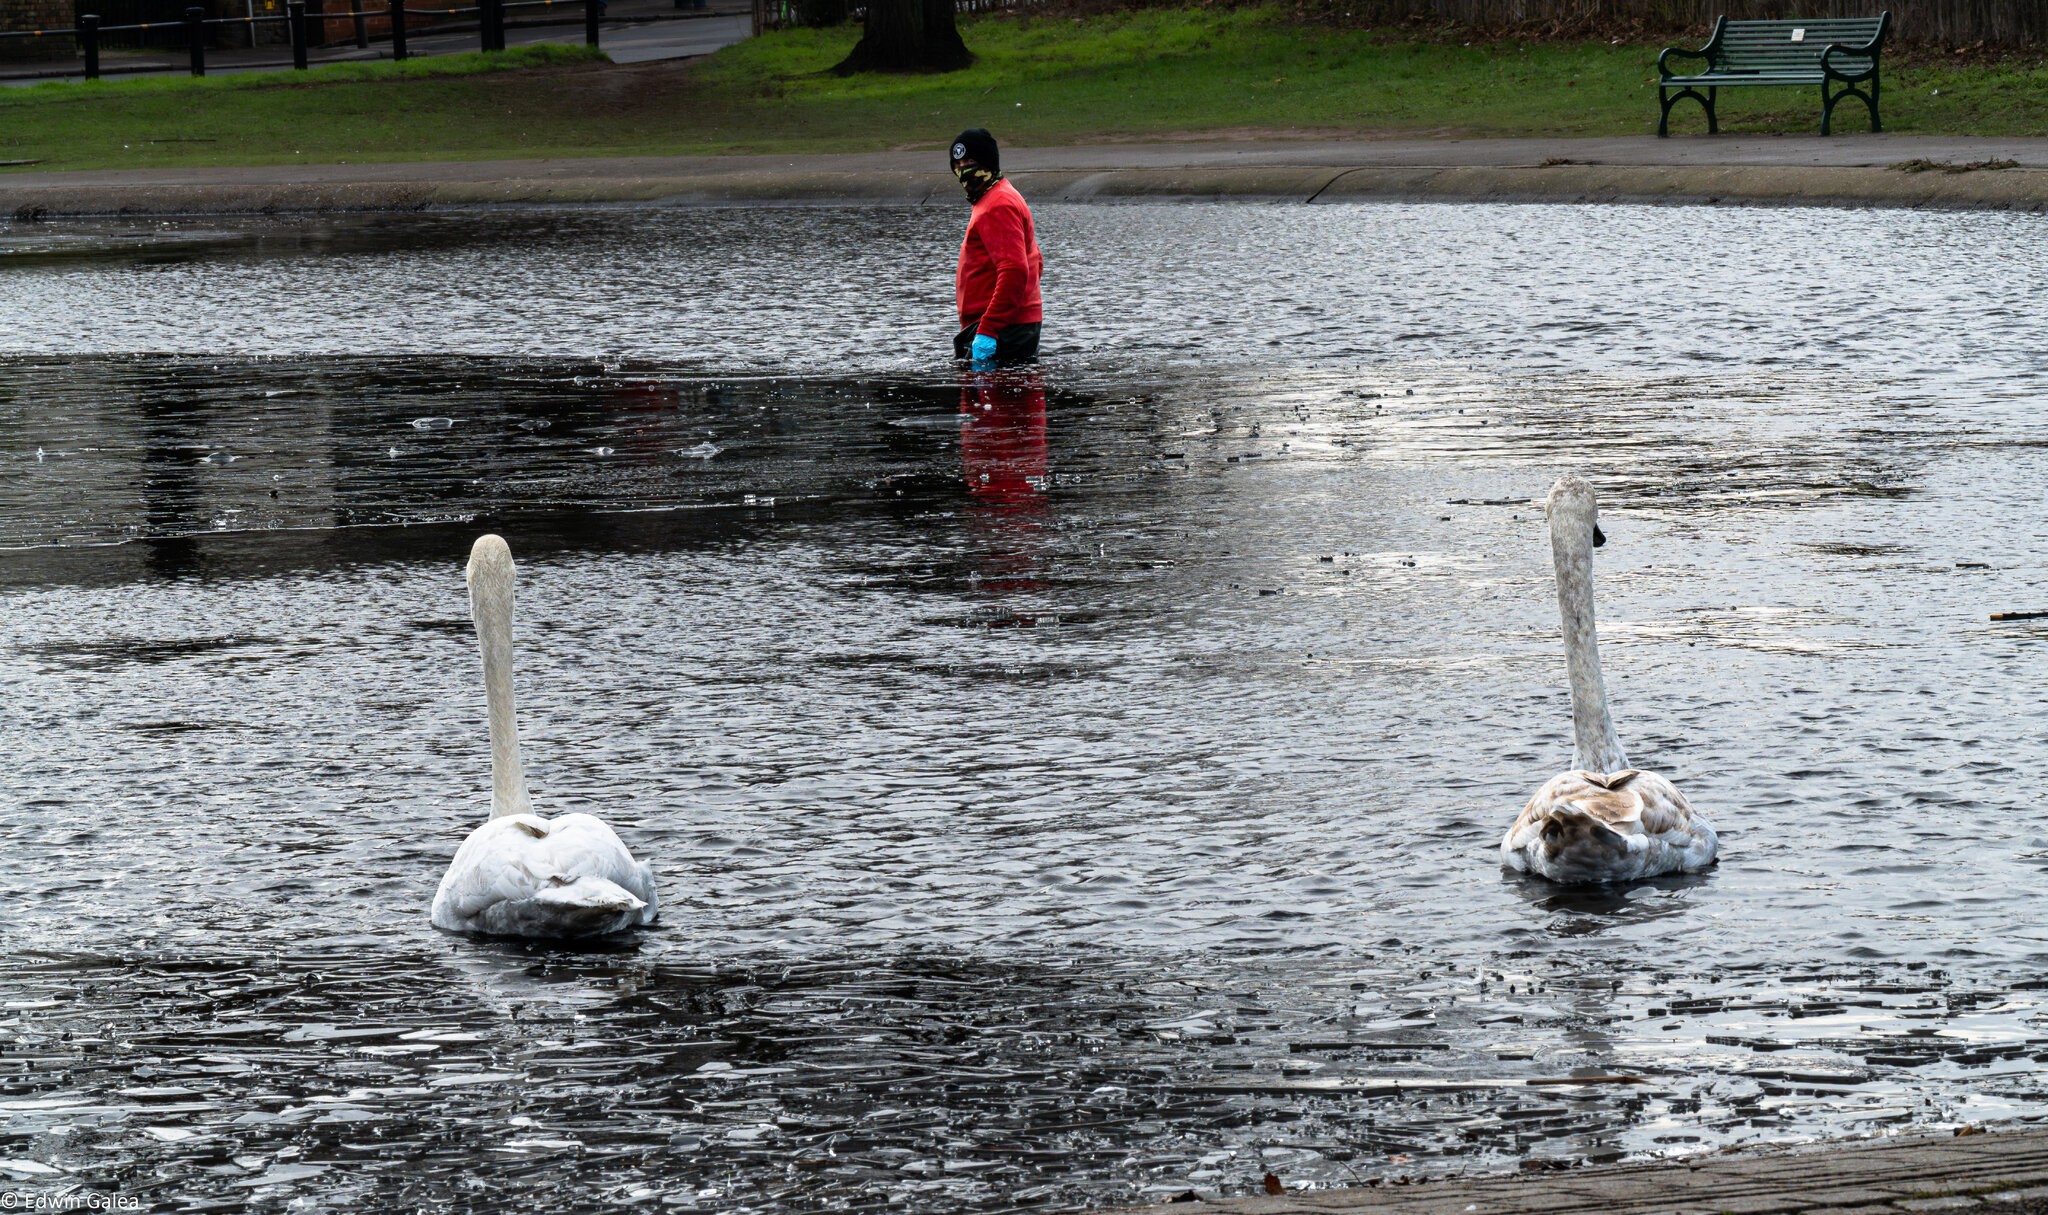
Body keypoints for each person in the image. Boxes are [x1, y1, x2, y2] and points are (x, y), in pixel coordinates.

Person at [949, 129, 1043, 367]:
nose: (963, 169)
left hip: (1001, 328)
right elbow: (1036, 260)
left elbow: (1015, 270)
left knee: (997, 404)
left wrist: (989, 329)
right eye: (958, 163)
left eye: (970, 161)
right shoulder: (994, 197)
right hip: (1005, 324)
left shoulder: (997, 204)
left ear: (988, 162)